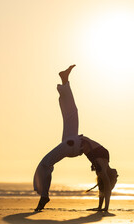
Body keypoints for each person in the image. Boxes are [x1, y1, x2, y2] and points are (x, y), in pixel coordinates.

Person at [33, 65, 115, 212]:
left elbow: (106, 186)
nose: (117, 174)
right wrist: (100, 207)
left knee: (45, 164)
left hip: (74, 145)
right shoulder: (105, 160)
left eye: (115, 176)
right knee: (71, 113)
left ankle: (44, 196)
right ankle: (65, 81)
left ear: (111, 175)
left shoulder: (103, 168)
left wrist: (106, 209)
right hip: (73, 141)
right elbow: (104, 186)